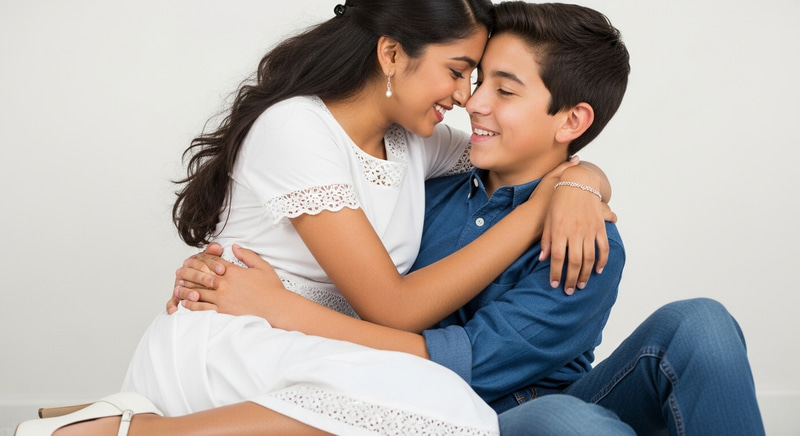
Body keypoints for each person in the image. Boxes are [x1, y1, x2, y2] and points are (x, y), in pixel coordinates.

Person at [15, 1, 616, 435]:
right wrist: (538, 211)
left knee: (443, 403)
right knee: (446, 405)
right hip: (238, 330)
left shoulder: (414, 142)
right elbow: (395, 308)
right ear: (391, 54)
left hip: (312, 342)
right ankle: (120, 432)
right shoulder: (296, 129)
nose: (467, 97)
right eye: (458, 71)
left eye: (479, 80)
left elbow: (528, 155)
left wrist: (583, 182)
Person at [172, 2, 764, 435]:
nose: (471, 102)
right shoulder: (426, 178)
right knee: (571, 424)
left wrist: (581, 183)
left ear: (571, 121)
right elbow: (362, 274)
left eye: (503, 91)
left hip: (499, 402)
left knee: (698, 326)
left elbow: (470, 369)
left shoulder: (585, 239)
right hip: (430, 406)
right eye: (474, 79)